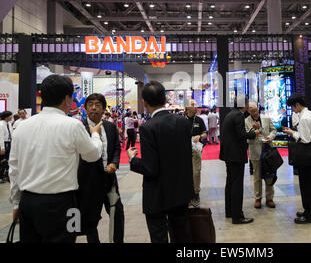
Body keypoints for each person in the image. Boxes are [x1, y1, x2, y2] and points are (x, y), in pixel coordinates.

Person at [8, 75, 103, 243]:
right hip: (62, 203)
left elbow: (13, 168)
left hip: (28, 202)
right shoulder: (72, 125)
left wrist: (16, 203)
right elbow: (93, 155)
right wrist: (95, 135)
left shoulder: (21, 127)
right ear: (67, 99)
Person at [128, 81, 193, 243]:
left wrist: (133, 159)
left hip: (157, 194)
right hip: (181, 190)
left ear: (144, 102)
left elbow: (151, 168)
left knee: (159, 237)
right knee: (182, 235)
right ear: (165, 99)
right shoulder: (183, 122)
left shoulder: (148, 127)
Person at [77, 93, 125, 243]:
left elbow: (117, 148)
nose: (94, 108)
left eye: (98, 105)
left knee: (118, 213)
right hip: (88, 182)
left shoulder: (110, 127)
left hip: (109, 179)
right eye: (90, 104)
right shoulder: (79, 128)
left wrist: (115, 163)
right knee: (91, 219)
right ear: (85, 108)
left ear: (104, 109)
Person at [219, 95, 259, 224]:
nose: (248, 106)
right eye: (247, 103)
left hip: (228, 155)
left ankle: (229, 211)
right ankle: (237, 216)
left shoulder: (231, 114)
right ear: (244, 104)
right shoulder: (239, 116)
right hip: (236, 155)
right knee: (237, 185)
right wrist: (254, 133)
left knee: (230, 183)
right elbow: (242, 136)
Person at [283, 93, 311, 224]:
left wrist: (292, 133)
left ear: (297, 105)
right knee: (307, 184)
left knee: (306, 186)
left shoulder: (304, 118)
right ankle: (309, 211)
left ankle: (310, 214)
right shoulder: (308, 114)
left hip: (306, 154)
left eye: (293, 107)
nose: (293, 110)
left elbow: (305, 139)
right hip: (310, 154)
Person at [245, 101, 277, 209]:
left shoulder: (266, 118)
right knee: (257, 176)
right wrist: (254, 129)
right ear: (248, 111)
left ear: (258, 109)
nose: (253, 113)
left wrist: (270, 137)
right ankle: (257, 198)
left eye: (255, 110)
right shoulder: (246, 121)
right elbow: (247, 135)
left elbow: (273, 130)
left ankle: (270, 198)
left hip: (267, 149)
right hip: (255, 151)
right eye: (251, 111)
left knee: (269, 174)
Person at [185, 99, 207, 208]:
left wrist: (200, 136)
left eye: (196, 105)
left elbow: (205, 134)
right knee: (185, 172)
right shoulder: (181, 120)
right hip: (184, 150)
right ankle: (187, 194)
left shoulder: (199, 120)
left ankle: (196, 193)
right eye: (193, 105)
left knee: (196, 172)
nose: (195, 107)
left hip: (196, 149)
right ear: (187, 107)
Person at [0, 111, 13, 182]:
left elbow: (12, 134)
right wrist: (2, 148)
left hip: (9, 143)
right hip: (4, 143)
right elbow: (1, 137)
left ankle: (6, 175)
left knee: (8, 160)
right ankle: (1, 176)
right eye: (11, 116)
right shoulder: (1, 124)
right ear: (7, 116)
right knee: (3, 160)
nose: (12, 117)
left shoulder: (9, 124)